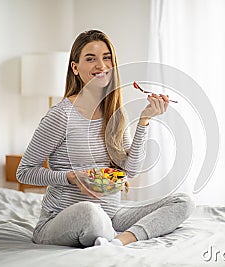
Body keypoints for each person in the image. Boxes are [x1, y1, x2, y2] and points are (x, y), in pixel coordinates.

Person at [16, 29, 194, 248]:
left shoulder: (116, 114)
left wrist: (144, 120)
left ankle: (119, 240)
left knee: (183, 202)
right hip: (64, 220)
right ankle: (106, 234)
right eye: (90, 59)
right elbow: (23, 172)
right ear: (75, 68)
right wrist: (71, 177)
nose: (101, 65)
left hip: (111, 215)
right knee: (90, 211)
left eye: (106, 58)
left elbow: (130, 170)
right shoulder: (60, 115)